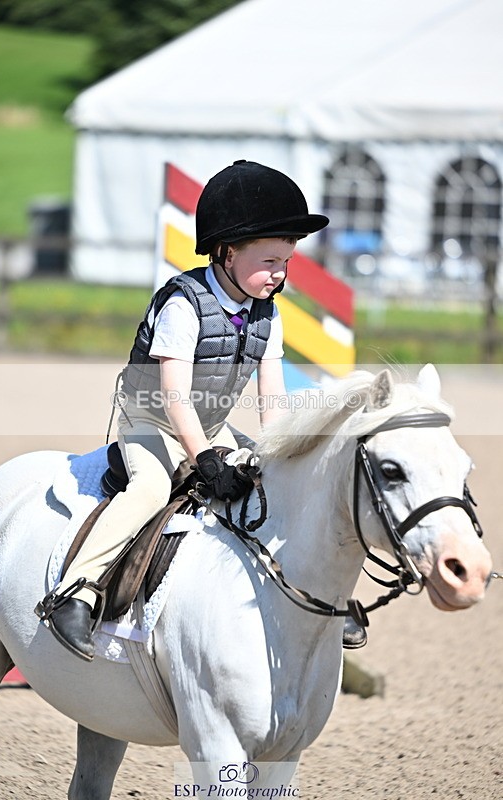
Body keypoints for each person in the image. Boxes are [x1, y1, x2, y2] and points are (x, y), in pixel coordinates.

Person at [41, 159, 362, 661]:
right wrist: (206, 459)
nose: (279, 274)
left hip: (210, 424)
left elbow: (271, 399)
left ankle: (325, 600)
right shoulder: (182, 305)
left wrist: (274, 456)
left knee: (279, 479)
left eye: (286, 262)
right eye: (269, 261)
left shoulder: (268, 313)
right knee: (149, 488)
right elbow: (173, 397)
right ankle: (73, 594)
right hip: (149, 422)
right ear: (228, 252)